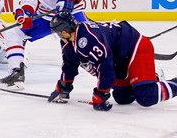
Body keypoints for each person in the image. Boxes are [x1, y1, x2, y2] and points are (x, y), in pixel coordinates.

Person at [48, 11, 177, 111]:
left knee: (147, 96)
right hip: (120, 59)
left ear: (64, 32)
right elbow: (69, 65)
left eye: (58, 33)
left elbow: (105, 68)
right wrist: (63, 87)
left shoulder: (88, 39)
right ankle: (150, 78)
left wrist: (101, 93)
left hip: (135, 48)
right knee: (122, 97)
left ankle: (148, 81)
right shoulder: (68, 42)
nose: (58, 36)